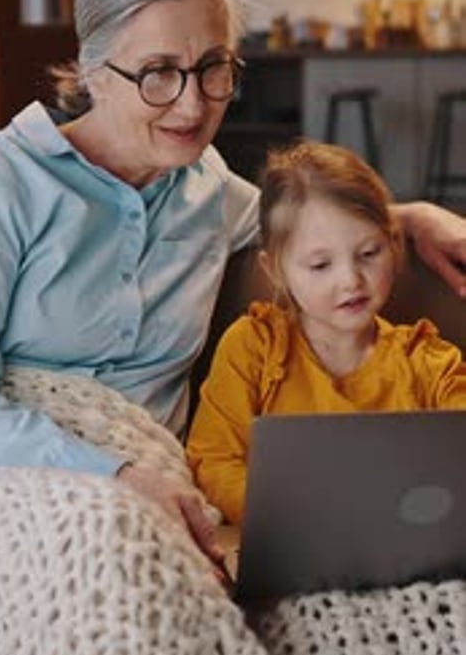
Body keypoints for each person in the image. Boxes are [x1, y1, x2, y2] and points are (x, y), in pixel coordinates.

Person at [0, 0, 464, 555]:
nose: (193, 103)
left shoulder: (210, 190)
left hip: (155, 490)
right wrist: (112, 477)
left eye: (213, 67)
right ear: (93, 69)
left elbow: (310, 237)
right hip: (18, 480)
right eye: (158, 73)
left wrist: (409, 216)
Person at [186, 141, 466, 525]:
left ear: (394, 246)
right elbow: (213, 462)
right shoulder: (254, 347)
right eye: (320, 265)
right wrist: (289, 517)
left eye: (369, 253)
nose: (350, 280)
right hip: (284, 541)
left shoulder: (429, 363)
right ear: (276, 270)